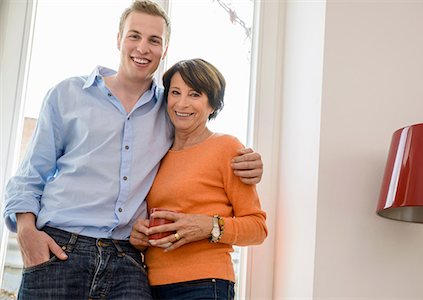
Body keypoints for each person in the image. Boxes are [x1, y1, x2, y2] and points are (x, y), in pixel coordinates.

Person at [3, 1, 263, 299]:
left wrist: (250, 160)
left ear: (165, 49)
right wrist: (26, 232)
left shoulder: (169, 110)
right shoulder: (67, 95)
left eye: (154, 40)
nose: (143, 48)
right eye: (134, 36)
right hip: (60, 246)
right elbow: (29, 175)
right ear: (118, 39)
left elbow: (203, 137)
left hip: (125, 258)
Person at [130, 58, 268, 300]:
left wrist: (209, 226)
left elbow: (257, 228)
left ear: (212, 104)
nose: (182, 103)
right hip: (150, 285)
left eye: (194, 94)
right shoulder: (156, 153)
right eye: (175, 92)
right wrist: (139, 237)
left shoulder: (227, 148)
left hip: (205, 285)